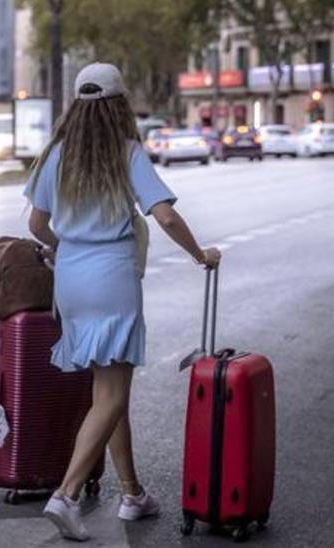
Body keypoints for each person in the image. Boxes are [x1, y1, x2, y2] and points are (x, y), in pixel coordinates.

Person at [24, 62, 221, 541]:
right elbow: (166, 217)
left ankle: (132, 493)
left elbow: (35, 225)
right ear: (119, 106)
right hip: (112, 276)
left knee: (107, 395)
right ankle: (66, 496)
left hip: (70, 279)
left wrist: (65, 247)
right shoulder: (127, 152)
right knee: (111, 393)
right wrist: (201, 255)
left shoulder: (57, 155)